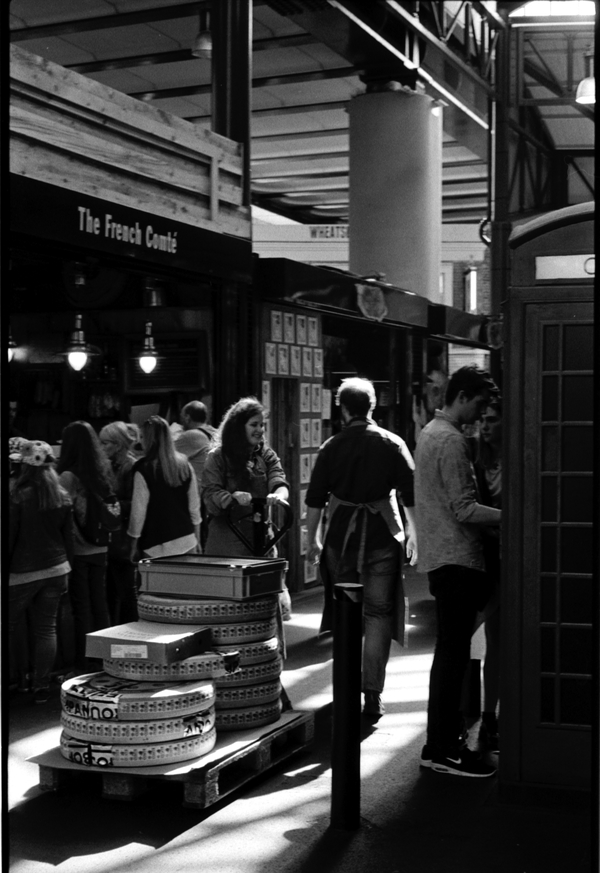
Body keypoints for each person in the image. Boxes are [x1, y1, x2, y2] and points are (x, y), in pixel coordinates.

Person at [305, 377, 418, 721]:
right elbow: (410, 495)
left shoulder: (331, 447)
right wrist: (415, 534)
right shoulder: (393, 443)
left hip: (341, 540)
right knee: (379, 613)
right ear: (372, 406)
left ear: (342, 409)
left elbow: (315, 500)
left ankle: (346, 689)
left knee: (346, 615)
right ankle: (372, 694)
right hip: (383, 537)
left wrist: (312, 540)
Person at [414, 365, 500, 777]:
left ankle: (440, 744)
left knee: (448, 654)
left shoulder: (430, 433)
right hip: (458, 559)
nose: (481, 413)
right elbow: (464, 509)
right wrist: (512, 515)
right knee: (452, 655)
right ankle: (444, 748)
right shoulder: (451, 441)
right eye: (479, 403)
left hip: (440, 557)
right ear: (462, 396)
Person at [202, 397, 293, 620]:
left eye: (262, 424)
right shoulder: (218, 458)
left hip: (262, 541)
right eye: (254, 424)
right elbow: (210, 494)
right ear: (238, 426)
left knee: (268, 609)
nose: (260, 430)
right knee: (229, 611)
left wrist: (278, 496)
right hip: (228, 544)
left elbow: (279, 480)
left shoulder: (266, 455)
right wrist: (231, 497)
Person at [9, 440, 74, 703]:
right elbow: (68, 539)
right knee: (46, 629)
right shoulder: (61, 495)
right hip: (57, 569)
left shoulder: (17, 495)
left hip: (22, 572)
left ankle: (17, 679)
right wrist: (67, 567)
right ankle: (41, 686)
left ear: (24, 466)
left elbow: (9, 538)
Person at [57, 421, 116, 674]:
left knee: (81, 607)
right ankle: (106, 658)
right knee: (100, 604)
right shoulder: (102, 471)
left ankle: (83, 664)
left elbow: (61, 514)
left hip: (79, 550)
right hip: (101, 546)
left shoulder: (68, 476)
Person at [127, 415, 201, 560]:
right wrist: (197, 538)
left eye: (142, 436)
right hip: (187, 540)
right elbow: (194, 507)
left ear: (150, 439)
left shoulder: (143, 470)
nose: (139, 441)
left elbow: (138, 513)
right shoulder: (185, 465)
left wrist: (133, 543)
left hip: (156, 545)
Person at [473, 397, 502, 752]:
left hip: (519, 558)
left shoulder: (519, 459)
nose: (485, 426)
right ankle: (489, 716)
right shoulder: (476, 461)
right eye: (482, 419)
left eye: (492, 419)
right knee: (494, 642)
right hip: (490, 561)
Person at [99, 421, 140, 624]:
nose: (101, 447)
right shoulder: (109, 465)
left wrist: (111, 506)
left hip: (124, 537)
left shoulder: (130, 467)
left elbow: (136, 503)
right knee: (110, 592)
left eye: (105, 443)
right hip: (111, 535)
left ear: (117, 444)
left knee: (126, 593)